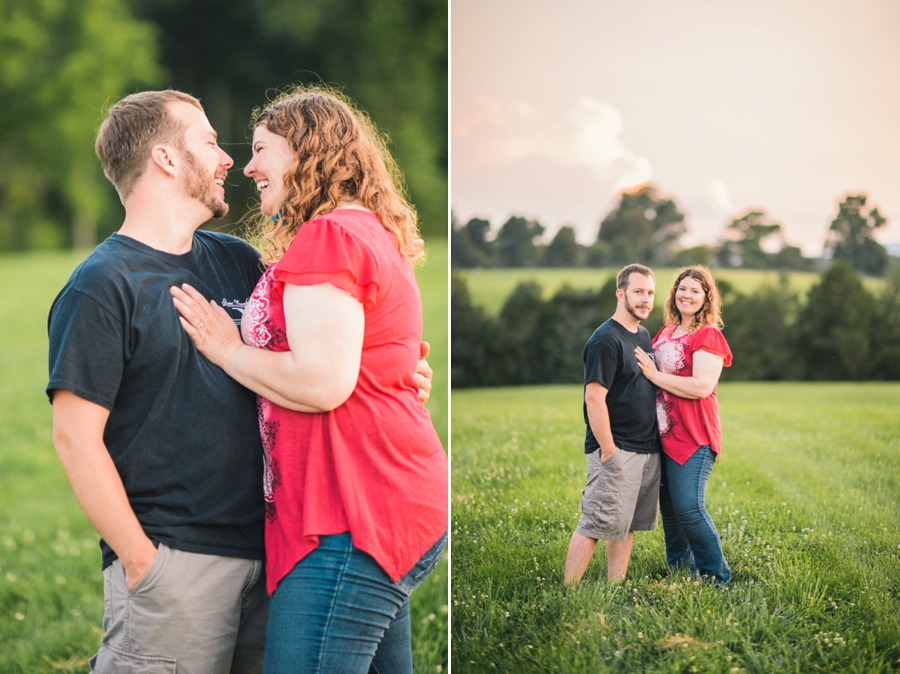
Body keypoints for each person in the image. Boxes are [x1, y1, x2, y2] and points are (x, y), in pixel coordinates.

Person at [47, 90, 434, 673]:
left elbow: (312, 346)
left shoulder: (235, 260)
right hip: (180, 561)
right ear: (165, 159)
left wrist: (394, 371)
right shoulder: (102, 285)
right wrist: (140, 562)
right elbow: (75, 437)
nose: (230, 159)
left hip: (277, 547)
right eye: (209, 142)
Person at [169, 85, 448, 674]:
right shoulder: (361, 230)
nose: (248, 167)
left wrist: (225, 348)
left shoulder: (331, 235)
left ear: (305, 152)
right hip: (368, 499)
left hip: (351, 512)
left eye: (263, 149)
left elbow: (323, 382)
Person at [564, 264, 662, 585]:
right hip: (617, 448)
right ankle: (569, 590)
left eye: (649, 292)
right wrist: (608, 449)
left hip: (645, 448)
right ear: (620, 294)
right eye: (638, 292)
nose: (645, 299)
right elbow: (594, 398)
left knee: (626, 524)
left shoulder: (642, 334)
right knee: (596, 523)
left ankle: (614, 586)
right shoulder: (606, 340)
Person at [634, 265, 732, 585]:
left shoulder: (708, 336)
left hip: (694, 435)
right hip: (662, 436)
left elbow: (702, 387)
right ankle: (680, 570)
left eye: (695, 290)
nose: (686, 295)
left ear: (706, 298)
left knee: (689, 507)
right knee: (672, 513)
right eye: (682, 288)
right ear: (674, 293)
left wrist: (654, 375)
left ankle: (716, 575)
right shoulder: (665, 333)